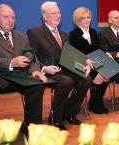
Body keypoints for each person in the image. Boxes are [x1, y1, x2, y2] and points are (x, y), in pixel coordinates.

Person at [0, 4, 47, 142]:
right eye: (6, 17)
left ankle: (31, 128)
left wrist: (35, 70)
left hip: (18, 77)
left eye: (13, 17)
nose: (10, 20)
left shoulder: (22, 36)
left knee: (37, 85)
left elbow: (32, 58)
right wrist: (11, 63)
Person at [27, 1, 92, 130]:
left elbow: (70, 56)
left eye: (59, 12)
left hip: (65, 69)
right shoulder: (35, 32)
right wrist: (43, 68)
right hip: (48, 71)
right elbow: (31, 56)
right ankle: (55, 117)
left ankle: (68, 113)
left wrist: (82, 64)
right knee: (67, 82)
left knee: (86, 79)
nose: (58, 15)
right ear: (45, 16)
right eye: (54, 13)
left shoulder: (63, 34)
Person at [69, 7, 109, 114]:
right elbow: (74, 54)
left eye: (88, 17)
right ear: (78, 20)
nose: (87, 20)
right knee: (101, 74)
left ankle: (97, 101)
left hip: (95, 61)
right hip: (82, 64)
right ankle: (95, 103)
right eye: (83, 18)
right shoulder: (73, 34)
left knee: (108, 73)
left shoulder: (93, 31)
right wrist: (86, 60)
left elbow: (97, 49)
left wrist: (106, 54)